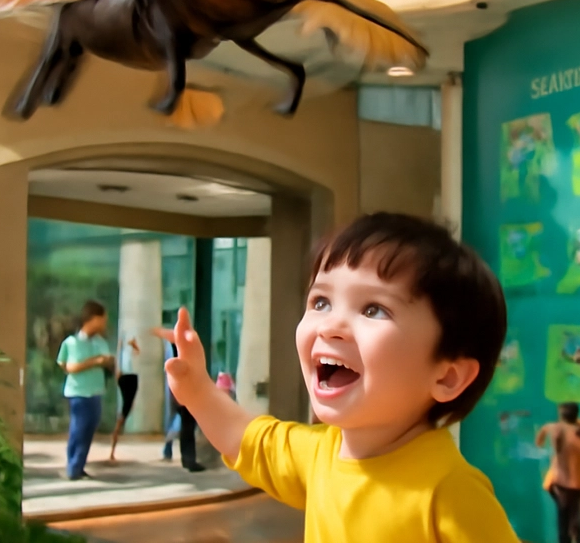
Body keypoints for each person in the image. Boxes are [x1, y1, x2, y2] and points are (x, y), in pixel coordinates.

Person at [159, 212, 520, 541]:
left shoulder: (450, 492)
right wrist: (197, 389)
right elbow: (245, 439)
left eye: (373, 309)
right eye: (320, 302)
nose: (331, 325)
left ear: (448, 378)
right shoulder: (320, 453)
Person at [56, 300, 114, 480]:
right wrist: (94, 362)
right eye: (102, 318)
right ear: (93, 319)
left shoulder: (100, 342)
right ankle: (73, 467)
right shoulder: (71, 342)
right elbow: (68, 366)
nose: (104, 322)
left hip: (96, 391)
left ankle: (79, 466)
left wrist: (108, 362)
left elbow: (107, 361)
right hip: (78, 393)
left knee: (89, 430)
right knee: (78, 429)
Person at [536, 402, 580, 543]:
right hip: (576, 486)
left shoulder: (552, 428)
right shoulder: (576, 438)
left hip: (556, 484)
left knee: (564, 526)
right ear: (576, 416)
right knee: (575, 528)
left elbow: (540, 440)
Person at [153, 329, 205, 472]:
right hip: (184, 393)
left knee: (183, 426)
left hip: (182, 393)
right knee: (186, 427)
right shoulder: (180, 352)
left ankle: (184, 457)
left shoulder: (176, 351)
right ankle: (188, 459)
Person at [108, 333, 141, 461]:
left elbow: (135, 352)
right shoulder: (126, 352)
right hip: (129, 378)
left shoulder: (128, 352)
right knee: (125, 410)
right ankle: (113, 444)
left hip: (129, 377)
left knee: (127, 407)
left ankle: (113, 446)